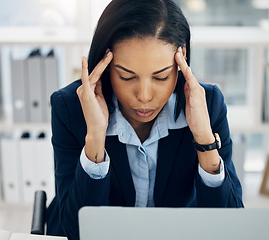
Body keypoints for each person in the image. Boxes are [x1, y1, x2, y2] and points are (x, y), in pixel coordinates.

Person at [46, 0, 244, 239]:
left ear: (181, 59)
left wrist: (204, 139)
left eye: (160, 77)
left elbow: (231, 226)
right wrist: (95, 138)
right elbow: (75, 231)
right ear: (105, 64)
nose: (144, 96)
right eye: (126, 76)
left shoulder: (207, 104)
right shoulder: (70, 107)